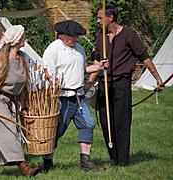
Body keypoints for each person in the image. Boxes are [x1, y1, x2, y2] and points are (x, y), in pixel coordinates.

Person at [94, 4, 163, 166]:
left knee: (121, 122)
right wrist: (90, 82)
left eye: (99, 17)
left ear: (110, 18)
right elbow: (97, 61)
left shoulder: (128, 34)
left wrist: (157, 78)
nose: (97, 21)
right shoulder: (101, 36)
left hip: (121, 84)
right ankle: (113, 157)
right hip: (104, 84)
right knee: (105, 122)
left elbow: (144, 57)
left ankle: (122, 161)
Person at [0, 25, 40, 176]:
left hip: (11, 102)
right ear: (17, 39)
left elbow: (22, 86)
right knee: (9, 132)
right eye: (23, 37)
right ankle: (24, 167)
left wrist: (23, 107)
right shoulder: (0, 57)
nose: (25, 39)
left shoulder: (21, 57)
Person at [42, 20, 105, 171]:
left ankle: (86, 162)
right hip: (62, 97)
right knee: (56, 131)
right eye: (73, 37)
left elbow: (83, 69)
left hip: (79, 96)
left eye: (76, 37)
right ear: (62, 36)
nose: (75, 40)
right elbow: (47, 75)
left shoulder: (79, 49)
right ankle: (47, 163)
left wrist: (99, 66)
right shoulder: (53, 50)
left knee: (88, 125)